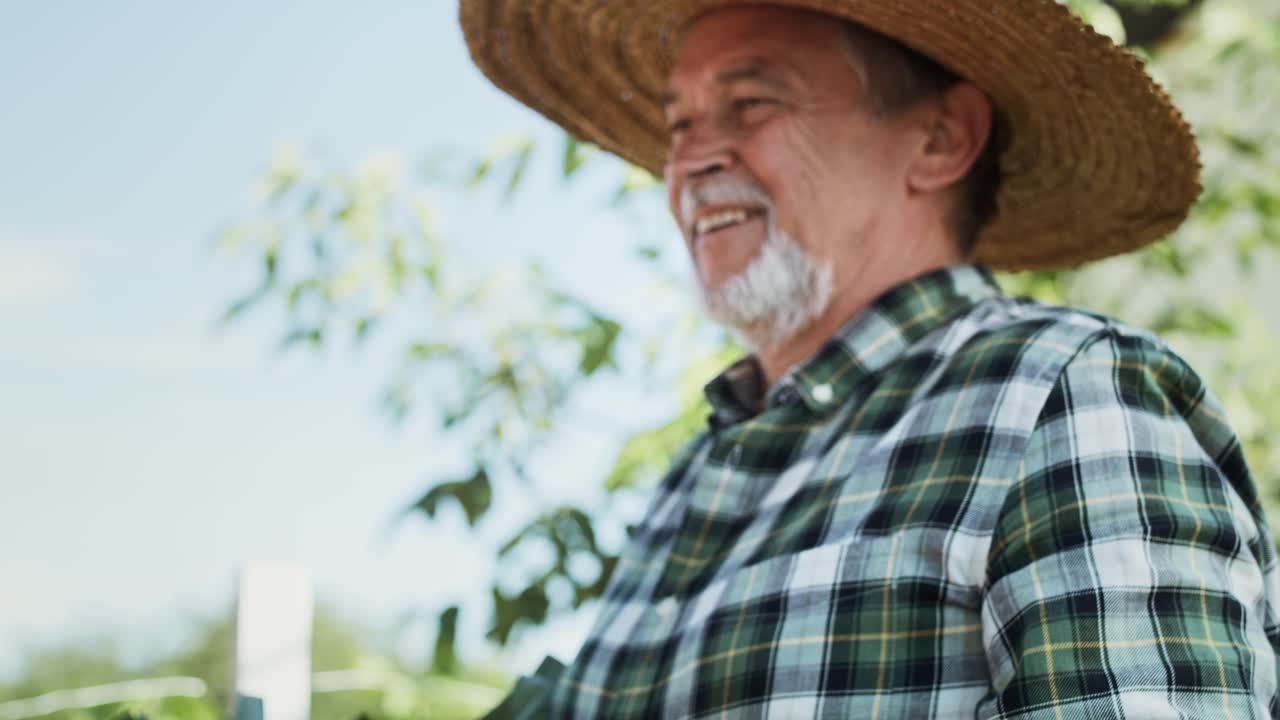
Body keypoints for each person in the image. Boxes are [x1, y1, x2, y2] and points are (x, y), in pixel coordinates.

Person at [461, 1, 1280, 717]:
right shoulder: (691, 479)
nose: (690, 162)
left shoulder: (1064, 393)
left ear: (940, 138)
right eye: (680, 124)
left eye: (751, 103)